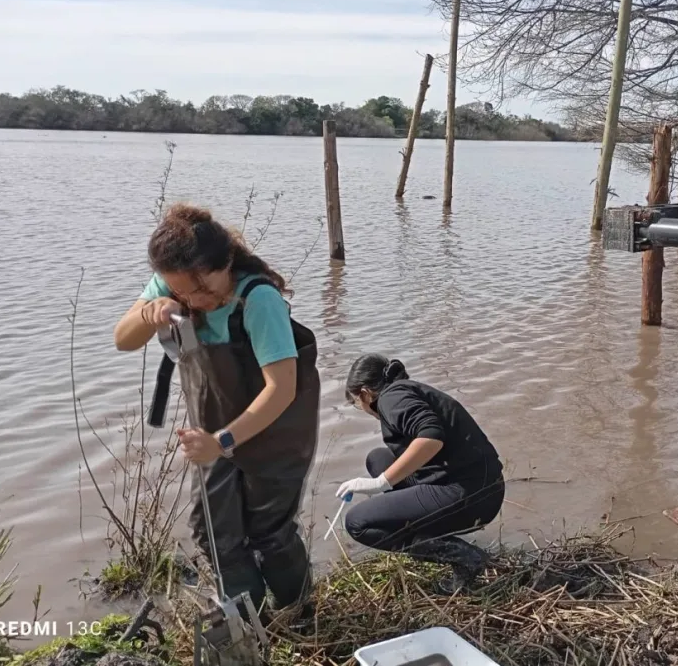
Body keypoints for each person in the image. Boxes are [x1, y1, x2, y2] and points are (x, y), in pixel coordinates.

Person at [113, 203, 320, 615]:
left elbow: (281, 390)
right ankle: (253, 622)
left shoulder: (258, 300)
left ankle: (300, 614)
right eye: (182, 293)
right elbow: (123, 339)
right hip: (212, 435)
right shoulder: (173, 284)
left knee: (270, 534)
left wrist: (223, 441)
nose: (195, 301)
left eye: (203, 291)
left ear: (227, 262)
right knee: (211, 532)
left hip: (275, 435)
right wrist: (150, 313)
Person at [339, 354, 505, 588]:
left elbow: (431, 438)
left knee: (357, 522)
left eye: (357, 403)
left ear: (365, 393)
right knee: (378, 458)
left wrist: (381, 483)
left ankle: (460, 556)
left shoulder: (390, 398)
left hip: (472, 494)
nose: (364, 409)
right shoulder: (403, 392)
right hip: (478, 484)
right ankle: (425, 529)